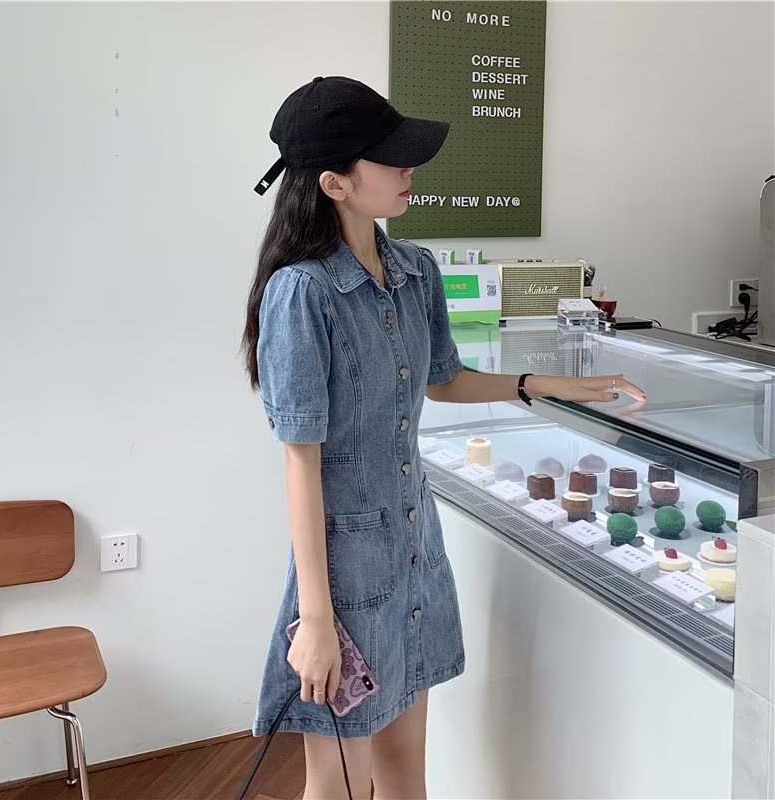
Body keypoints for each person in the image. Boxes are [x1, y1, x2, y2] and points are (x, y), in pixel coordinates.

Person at [242, 75, 645, 800]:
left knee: (406, 774)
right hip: (344, 578)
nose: (409, 170)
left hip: (415, 550)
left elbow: (444, 380)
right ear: (335, 183)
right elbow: (301, 463)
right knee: (337, 788)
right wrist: (316, 618)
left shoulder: (414, 270)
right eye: (390, 158)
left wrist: (552, 384)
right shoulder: (301, 293)